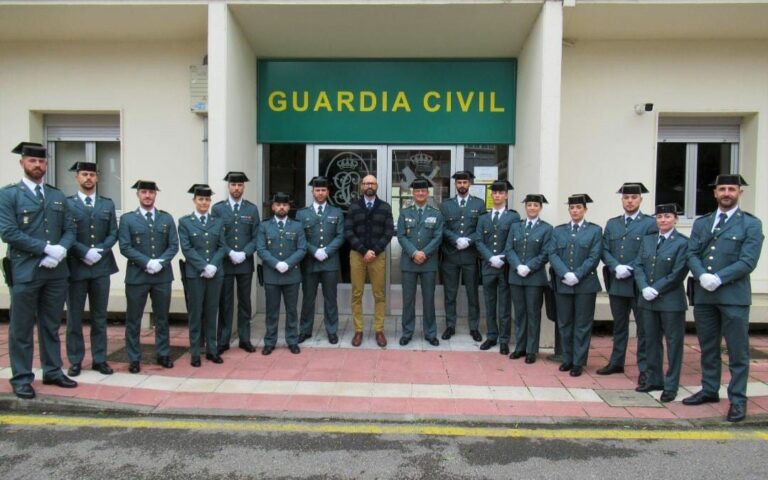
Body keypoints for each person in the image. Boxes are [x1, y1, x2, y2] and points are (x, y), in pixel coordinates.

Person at [683, 174, 764, 422]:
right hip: (705, 295)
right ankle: (709, 390)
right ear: (715, 193)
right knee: (708, 347)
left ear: (740, 192)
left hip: (733, 297)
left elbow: (748, 261)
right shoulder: (703, 223)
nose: (726, 193)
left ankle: (738, 399)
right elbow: (692, 252)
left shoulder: (751, 224)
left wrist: (719, 277)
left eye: (731, 189)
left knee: (737, 351)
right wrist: (700, 275)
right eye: (722, 189)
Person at [0, 142, 77, 399]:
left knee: (51, 325)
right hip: (26, 270)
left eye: (42, 161)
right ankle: (21, 377)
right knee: (21, 328)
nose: (38, 166)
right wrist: (45, 249)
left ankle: (53, 370)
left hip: (55, 271)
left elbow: (69, 229)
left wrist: (61, 251)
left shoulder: (56, 196)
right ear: (22, 162)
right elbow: (9, 232)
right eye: (32, 161)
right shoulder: (9, 194)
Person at [598, 182, 657, 385]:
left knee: (643, 329)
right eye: (626, 197)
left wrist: (630, 267)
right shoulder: (613, 223)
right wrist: (615, 266)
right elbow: (604, 249)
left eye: (633, 197)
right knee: (619, 325)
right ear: (621, 200)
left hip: (638, 283)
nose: (629, 201)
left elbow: (649, 251)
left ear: (641, 199)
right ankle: (616, 361)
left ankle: (644, 369)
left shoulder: (649, 223)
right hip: (617, 282)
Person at [118, 180, 179, 373]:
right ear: (138, 194)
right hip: (137, 276)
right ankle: (134, 358)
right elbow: (125, 246)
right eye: (143, 192)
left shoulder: (165, 218)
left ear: (155, 195)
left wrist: (159, 262)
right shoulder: (128, 219)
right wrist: (146, 262)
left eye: (151, 193)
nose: (147, 196)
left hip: (162, 276)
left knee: (162, 318)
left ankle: (163, 354)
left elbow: (173, 245)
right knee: (134, 319)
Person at [65, 161, 119, 377]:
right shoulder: (68, 204)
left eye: (92, 174)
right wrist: (84, 252)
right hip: (76, 268)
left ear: (97, 178)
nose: (89, 178)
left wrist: (101, 250)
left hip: (101, 268)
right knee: (74, 317)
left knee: (99, 316)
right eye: (84, 174)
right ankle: (75, 360)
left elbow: (113, 232)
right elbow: (66, 231)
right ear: (77, 177)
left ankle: (100, 359)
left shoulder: (107, 204)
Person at [632, 203, 689, 402]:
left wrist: (656, 288)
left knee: (674, 344)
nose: (663, 220)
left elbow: (678, 273)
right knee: (650, 340)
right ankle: (653, 379)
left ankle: (671, 385)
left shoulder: (682, 242)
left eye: (667, 216)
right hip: (647, 300)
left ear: (675, 219)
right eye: (659, 217)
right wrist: (644, 287)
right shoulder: (648, 240)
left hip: (670, 301)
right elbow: (638, 265)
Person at [548, 194, 603, 377]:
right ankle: (568, 358)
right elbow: (553, 254)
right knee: (565, 323)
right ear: (569, 210)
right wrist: (565, 274)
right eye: (572, 208)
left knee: (582, 324)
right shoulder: (559, 231)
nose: (575, 211)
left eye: (579, 208)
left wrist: (577, 275)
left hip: (585, 284)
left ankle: (579, 362)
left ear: (585, 210)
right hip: (564, 283)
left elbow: (594, 256)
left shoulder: (594, 231)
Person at [178, 184, 227, 366]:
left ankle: (212, 350)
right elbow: (187, 248)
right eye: (201, 199)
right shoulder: (185, 222)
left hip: (215, 273)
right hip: (195, 274)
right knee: (196, 313)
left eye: (207, 199)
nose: (204, 202)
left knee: (212, 312)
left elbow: (222, 246)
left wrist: (213, 265)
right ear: (194, 200)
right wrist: (203, 266)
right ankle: (195, 352)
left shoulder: (218, 221)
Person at [344, 174, 394, 347]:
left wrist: (375, 250)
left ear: (377, 185)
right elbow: (348, 231)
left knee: (379, 294)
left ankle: (379, 330)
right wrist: (364, 250)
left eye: (372, 183)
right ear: (361, 186)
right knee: (357, 294)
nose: (369, 185)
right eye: (366, 183)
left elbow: (389, 232)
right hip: (357, 255)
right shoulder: (354, 207)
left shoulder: (385, 207)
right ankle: (358, 331)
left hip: (378, 256)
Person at [212, 171, 259, 354]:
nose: (236, 188)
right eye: (233, 185)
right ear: (228, 186)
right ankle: (223, 339)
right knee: (225, 301)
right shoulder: (218, 209)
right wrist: (230, 251)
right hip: (225, 262)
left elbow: (256, 236)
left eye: (239, 185)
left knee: (245, 302)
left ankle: (244, 338)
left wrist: (245, 253)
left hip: (245, 263)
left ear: (243, 187)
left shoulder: (251, 209)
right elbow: (216, 235)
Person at [256, 192, 307, 355]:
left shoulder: (297, 226)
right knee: (272, 310)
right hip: (271, 274)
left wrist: (288, 263)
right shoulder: (264, 226)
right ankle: (270, 341)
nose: (281, 207)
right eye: (278, 204)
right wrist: (276, 263)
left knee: (292, 310)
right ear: (273, 207)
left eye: (284, 205)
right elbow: (261, 249)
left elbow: (302, 248)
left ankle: (292, 340)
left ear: (289, 207)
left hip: (292, 275)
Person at [472, 180, 520, 355]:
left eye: (501, 193)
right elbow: (478, 240)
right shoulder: (483, 217)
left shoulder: (513, 217)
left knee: (504, 305)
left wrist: (503, 257)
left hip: (506, 266)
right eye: (495, 193)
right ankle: (492, 335)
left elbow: (515, 240)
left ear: (506, 196)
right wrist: (490, 257)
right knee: (490, 303)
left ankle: (504, 340)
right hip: (488, 266)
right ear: (491, 195)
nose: (498, 195)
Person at [505, 194, 553, 363]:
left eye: (535, 205)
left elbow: (546, 252)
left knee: (533, 314)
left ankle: (532, 350)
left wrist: (529, 267)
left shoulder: (547, 228)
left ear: (540, 208)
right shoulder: (515, 226)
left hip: (535, 278)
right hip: (516, 276)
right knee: (519, 313)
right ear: (525, 207)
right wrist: (518, 266)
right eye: (529, 205)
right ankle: (520, 347)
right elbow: (509, 249)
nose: (532, 208)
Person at [297, 176, 345, 345]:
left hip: (330, 262)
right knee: (308, 298)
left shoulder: (336, 212)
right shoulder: (302, 214)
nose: (320, 193)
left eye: (323, 190)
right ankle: (305, 330)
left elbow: (341, 235)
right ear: (312, 192)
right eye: (317, 190)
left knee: (330, 298)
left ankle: (332, 331)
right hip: (309, 262)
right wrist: (314, 251)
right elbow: (300, 237)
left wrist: (327, 251)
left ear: (328, 192)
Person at [396, 178, 444, 346]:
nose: (420, 193)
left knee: (429, 299)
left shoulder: (436, 213)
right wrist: (414, 252)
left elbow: (438, 236)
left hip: (428, 263)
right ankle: (407, 332)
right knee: (408, 300)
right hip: (409, 263)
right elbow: (400, 235)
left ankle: (430, 333)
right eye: (417, 191)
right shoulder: (404, 212)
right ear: (413, 193)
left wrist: (424, 253)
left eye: (423, 191)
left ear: (428, 193)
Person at [439, 171, 485, 341]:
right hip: (450, 255)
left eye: (465, 182)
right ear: (455, 185)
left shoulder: (479, 204)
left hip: (470, 256)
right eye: (459, 183)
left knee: (472, 293)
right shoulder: (446, 205)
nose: (462, 185)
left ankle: (474, 327)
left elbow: (481, 229)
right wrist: (456, 239)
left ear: (470, 184)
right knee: (450, 294)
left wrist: (469, 240)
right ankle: (450, 326)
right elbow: (442, 227)